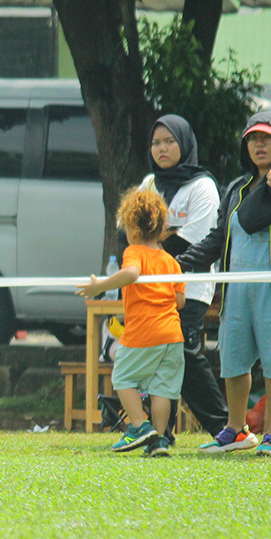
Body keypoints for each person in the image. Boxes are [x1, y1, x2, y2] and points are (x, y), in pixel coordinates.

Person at [179, 111, 271, 455]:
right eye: (253, 139)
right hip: (237, 291)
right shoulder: (235, 188)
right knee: (233, 361)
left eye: (267, 138)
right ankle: (235, 430)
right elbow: (217, 239)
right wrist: (176, 263)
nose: (259, 144)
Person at [137, 114, 228, 439]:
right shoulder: (149, 183)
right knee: (161, 356)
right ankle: (162, 432)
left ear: (185, 143)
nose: (162, 148)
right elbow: (130, 233)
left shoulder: (202, 185)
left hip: (190, 288)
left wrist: (156, 237)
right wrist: (166, 234)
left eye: (169, 141)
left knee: (185, 353)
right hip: (150, 289)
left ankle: (224, 426)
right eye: (156, 142)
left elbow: (196, 241)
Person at [78, 189, 186, 456]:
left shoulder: (134, 251)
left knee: (123, 377)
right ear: (161, 229)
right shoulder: (171, 261)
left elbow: (132, 273)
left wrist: (99, 286)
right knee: (162, 388)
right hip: (172, 334)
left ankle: (138, 425)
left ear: (134, 230)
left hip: (143, 332)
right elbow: (180, 300)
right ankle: (159, 440)